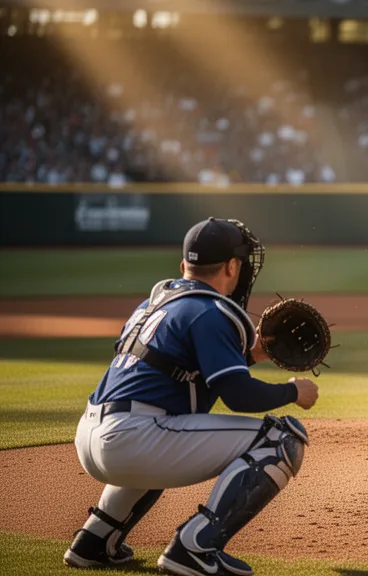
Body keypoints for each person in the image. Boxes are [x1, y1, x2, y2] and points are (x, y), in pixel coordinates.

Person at [63, 217, 320, 575]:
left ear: (184, 265)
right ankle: (195, 547)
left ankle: (96, 538)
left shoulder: (154, 305)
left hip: (94, 434)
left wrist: (252, 355)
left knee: (168, 430)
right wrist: (294, 391)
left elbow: (181, 378)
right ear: (232, 266)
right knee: (281, 438)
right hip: (133, 437)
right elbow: (237, 396)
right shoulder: (211, 312)